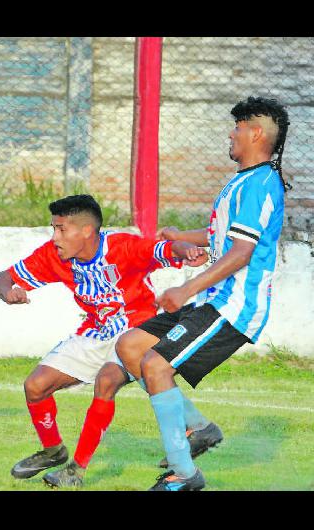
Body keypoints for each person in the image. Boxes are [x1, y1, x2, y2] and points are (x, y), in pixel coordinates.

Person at [115, 96, 289, 491]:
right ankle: (200, 429)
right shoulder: (244, 180)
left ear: (256, 133)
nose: (232, 133)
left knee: (157, 366)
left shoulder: (262, 184)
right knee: (131, 348)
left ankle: (185, 475)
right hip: (211, 301)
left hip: (233, 308)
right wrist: (181, 236)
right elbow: (223, 238)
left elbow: (243, 252)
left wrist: (186, 287)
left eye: (239, 128)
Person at [0, 194, 218, 488]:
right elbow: (2, 277)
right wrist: (7, 292)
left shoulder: (123, 247)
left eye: (61, 229)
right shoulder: (52, 254)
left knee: (107, 380)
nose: (55, 237)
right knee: (35, 386)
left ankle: (75, 471)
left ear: (86, 231)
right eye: (53, 228)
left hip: (135, 330)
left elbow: (165, 248)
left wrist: (188, 248)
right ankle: (52, 451)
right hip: (95, 330)